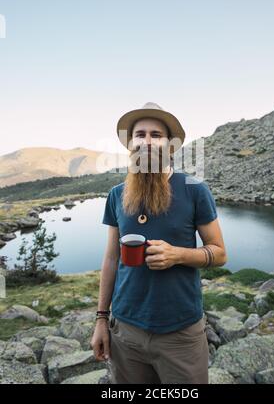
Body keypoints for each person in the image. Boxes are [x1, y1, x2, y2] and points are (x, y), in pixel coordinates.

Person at [91, 102, 228, 384]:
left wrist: (178, 255)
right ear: (131, 144)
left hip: (180, 332)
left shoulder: (194, 189)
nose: (148, 140)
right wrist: (102, 320)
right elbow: (111, 260)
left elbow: (219, 253)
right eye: (140, 134)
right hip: (125, 331)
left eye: (156, 134)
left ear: (169, 144)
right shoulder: (116, 195)